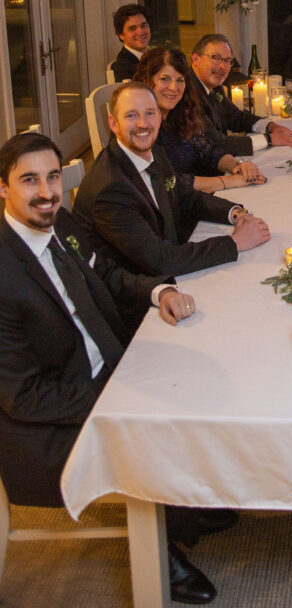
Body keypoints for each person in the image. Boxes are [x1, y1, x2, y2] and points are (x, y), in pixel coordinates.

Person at [0, 131, 218, 604]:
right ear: (3, 188)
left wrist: (159, 292)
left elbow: (107, 273)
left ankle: (180, 508)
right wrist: (118, 393)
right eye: (28, 180)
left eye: (53, 177)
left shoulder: (59, 223)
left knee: (200, 367)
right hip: (47, 423)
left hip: (105, 366)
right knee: (158, 411)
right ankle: (159, 549)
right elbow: (24, 398)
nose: (45, 192)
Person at [73, 82, 270, 278]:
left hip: (166, 262)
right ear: (114, 123)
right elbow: (161, 261)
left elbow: (186, 197)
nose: (143, 123)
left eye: (150, 113)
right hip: (141, 289)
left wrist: (235, 213)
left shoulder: (153, 152)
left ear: (159, 118)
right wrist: (235, 242)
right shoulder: (110, 189)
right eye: (131, 115)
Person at [134, 46, 267, 194]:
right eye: (164, 79)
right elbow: (168, 181)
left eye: (180, 80)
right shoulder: (141, 127)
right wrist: (228, 181)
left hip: (197, 200)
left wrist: (237, 166)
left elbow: (208, 150)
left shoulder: (179, 113)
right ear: (146, 80)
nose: (174, 87)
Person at [190, 33, 292, 154]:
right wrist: (269, 139)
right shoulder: (187, 93)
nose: (222, 66)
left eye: (227, 60)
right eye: (216, 58)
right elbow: (215, 143)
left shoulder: (213, 84)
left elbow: (235, 117)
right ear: (196, 59)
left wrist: (270, 126)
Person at [110, 3, 151, 82]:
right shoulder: (123, 68)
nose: (140, 32)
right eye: (132, 28)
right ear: (121, 35)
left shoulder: (156, 57)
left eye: (143, 26)